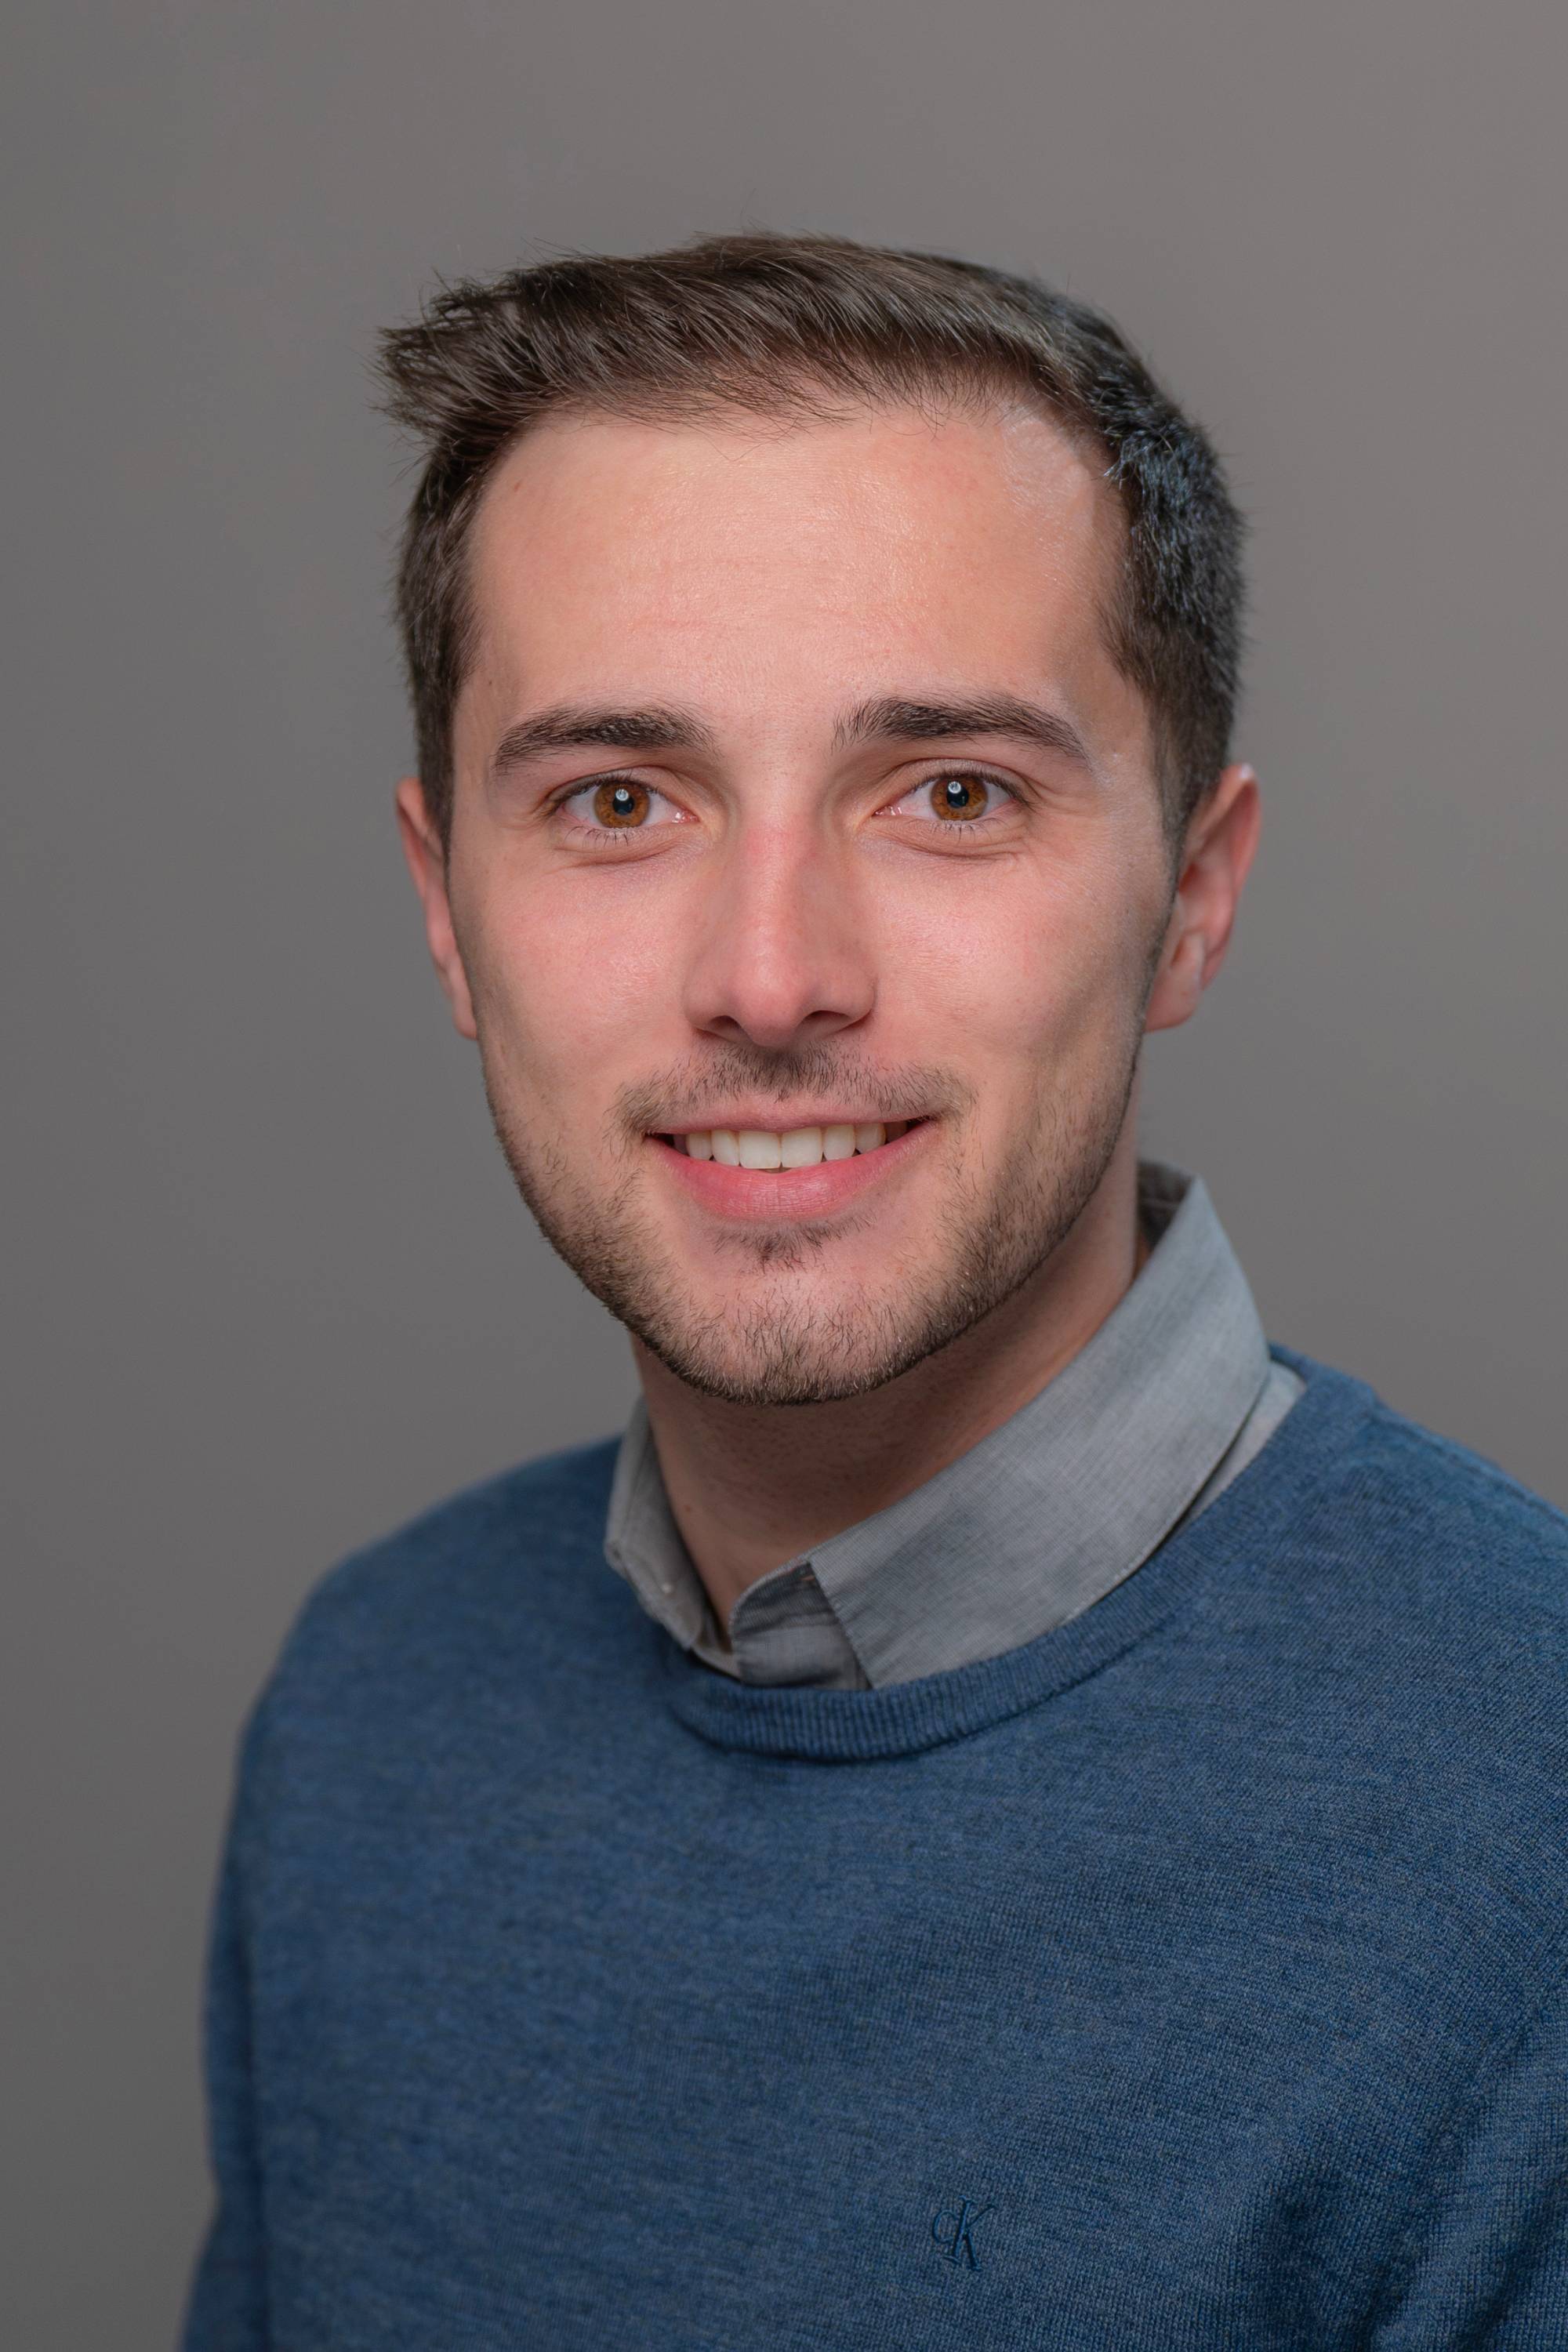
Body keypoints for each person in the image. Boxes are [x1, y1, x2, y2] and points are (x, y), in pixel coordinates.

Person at [181, 233, 1568, 2350]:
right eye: (618, 801)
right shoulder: (375, 1714)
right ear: (446, 913)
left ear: (1190, 900)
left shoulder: (1529, 1824)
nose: (769, 977)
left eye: (949, 795)